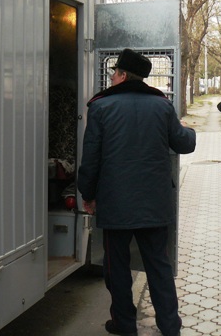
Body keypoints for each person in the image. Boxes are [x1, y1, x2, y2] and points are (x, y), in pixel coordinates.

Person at [77, 48, 196, 336]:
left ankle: (125, 325)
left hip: (115, 204)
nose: (111, 78)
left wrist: (87, 194)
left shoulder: (101, 108)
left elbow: (90, 159)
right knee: (158, 267)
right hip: (154, 204)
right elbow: (185, 144)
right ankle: (170, 326)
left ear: (121, 75)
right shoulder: (162, 106)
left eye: (113, 74)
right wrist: (188, 129)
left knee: (116, 269)